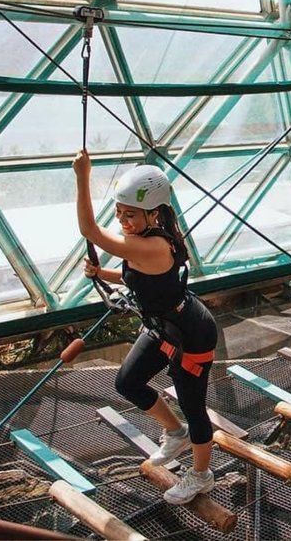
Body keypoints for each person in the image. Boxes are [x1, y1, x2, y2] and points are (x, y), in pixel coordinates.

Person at [72, 148, 217, 505]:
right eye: (119, 212)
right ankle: (175, 432)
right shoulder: (147, 241)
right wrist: (101, 273)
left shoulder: (153, 245)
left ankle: (202, 475)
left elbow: (89, 229)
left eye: (130, 214)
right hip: (164, 326)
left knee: (194, 404)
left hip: (190, 336)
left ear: (153, 213)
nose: (122, 220)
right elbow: (139, 277)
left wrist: (82, 176)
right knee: (128, 382)